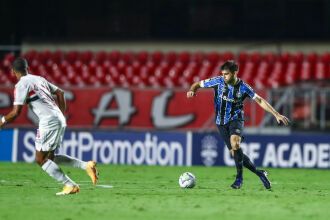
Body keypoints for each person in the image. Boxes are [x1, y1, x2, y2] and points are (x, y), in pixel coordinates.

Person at [0, 57, 98, 195]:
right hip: (59, 118)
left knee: (41, 159)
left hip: (48, 121)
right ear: (27, 68)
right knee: (50, 158)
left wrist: (3, 120)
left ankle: (70, 185)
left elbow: (16, 112)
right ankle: (86, 166)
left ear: (13, 71)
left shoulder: (21, 85)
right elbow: (60, 93)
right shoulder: (39, 79)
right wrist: (61, 115)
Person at [187, 60, 290, 189]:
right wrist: (191, 90)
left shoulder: (244, 87)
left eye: (227, 74)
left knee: (235, 143)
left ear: (235, 73)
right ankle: (259, 173)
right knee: (234, 153)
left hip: (236, 119)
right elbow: (197, 84)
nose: (224, 76)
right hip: (220, 122)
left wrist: (276, 114)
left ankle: (239, 179)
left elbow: (260, 100)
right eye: (223, 74)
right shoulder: (217, 81)